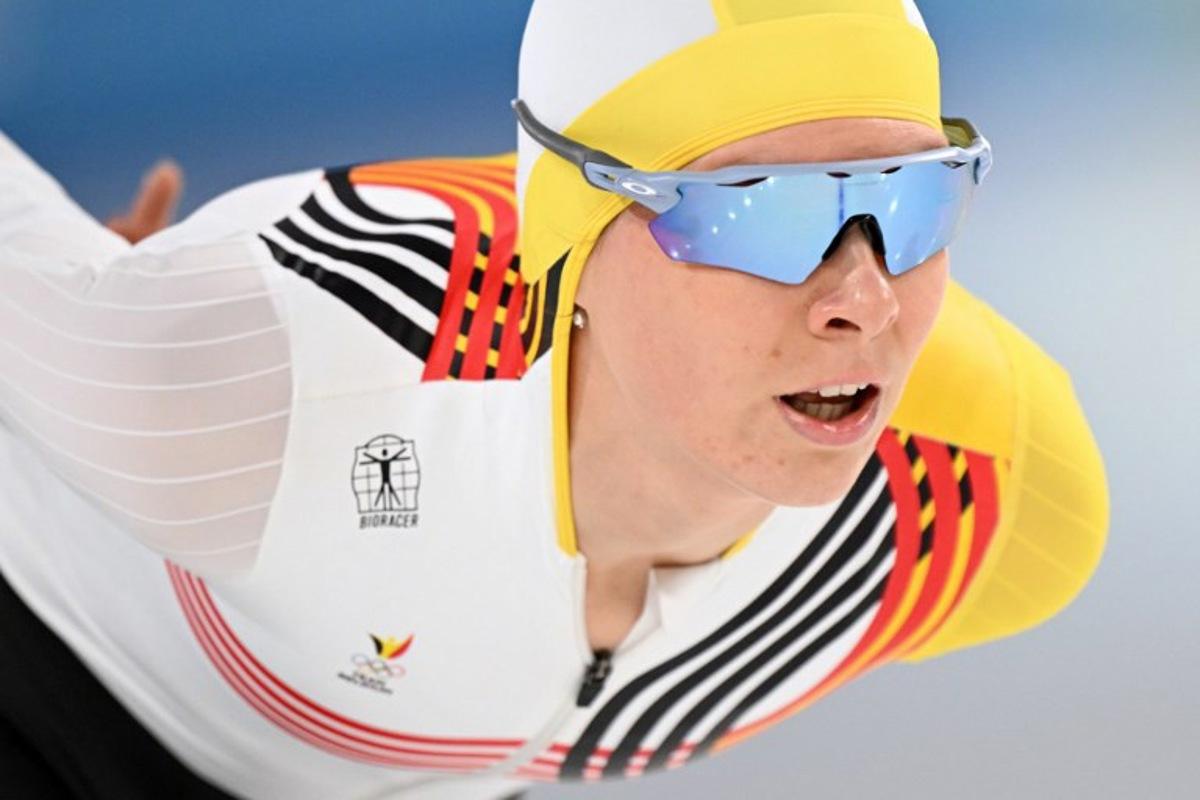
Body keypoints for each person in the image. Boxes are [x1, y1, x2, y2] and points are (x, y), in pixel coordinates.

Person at [0, 1, 1109, 798]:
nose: (863, 300)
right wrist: (83, 324)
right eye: (755, 212)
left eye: (911, 199)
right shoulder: (269, 377)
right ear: (574, 241)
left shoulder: (987, 494)